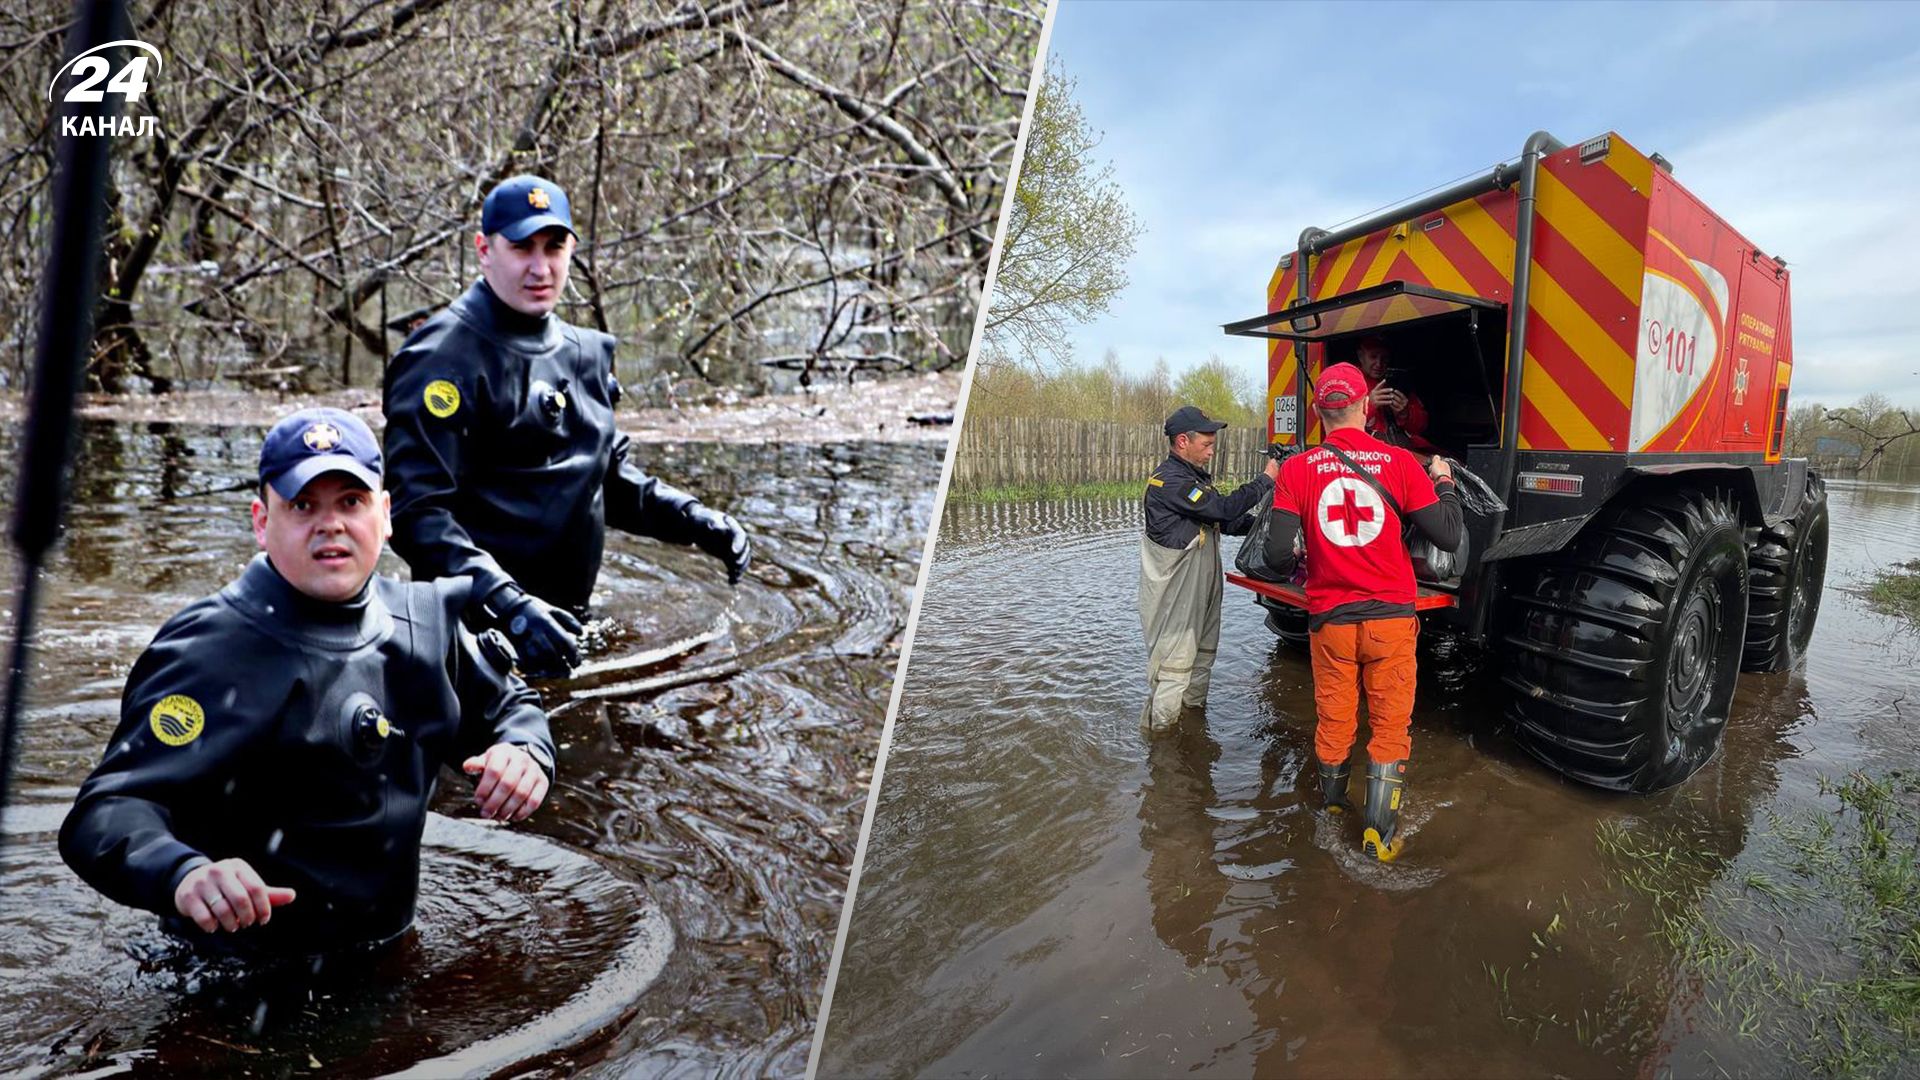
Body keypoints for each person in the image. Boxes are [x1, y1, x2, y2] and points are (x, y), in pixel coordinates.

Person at [59, 409, 556, 956]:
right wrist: (182, 874)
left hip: (390, 953)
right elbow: (105, 813)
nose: (331, 524)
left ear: (385, 514)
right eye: (302, 505)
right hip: (233, 978)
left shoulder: (427, 623)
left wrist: (524, 752)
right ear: (260, 520)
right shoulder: (209, 649)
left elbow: (511, 706)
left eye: (351, 501)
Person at [382, 175, 751, 677]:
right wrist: (509, 607)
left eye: (554, 247)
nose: (541, 267)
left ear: (572, 249)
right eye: (522, 248)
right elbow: (416, 513)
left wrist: (695, 521)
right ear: (484, 250)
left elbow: (606, 483)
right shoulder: (439, 358)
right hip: (468, 639)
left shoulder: (586, 354)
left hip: (568, 626)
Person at [1262, 363, 1462, 861]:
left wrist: (1310, 552)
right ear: (1365, 406)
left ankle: (1332, 808)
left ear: (1317, 412)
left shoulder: (1296, 469)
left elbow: (1275, 557)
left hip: (1331, 622)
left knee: (1334, 717)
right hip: (1391, 620)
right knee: (1390, 725)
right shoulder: (1398, 462)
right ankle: (1380, 835)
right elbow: (1448, 535)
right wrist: (1445, 483)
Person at [1139, 405, 1282, 734]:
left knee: (1201, 657)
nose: (1212, 450)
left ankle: (1190, 730)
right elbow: (1221, 507)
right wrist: (1265, 481)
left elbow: (1227, 520)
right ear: (1182, 442)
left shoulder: (1193, 479)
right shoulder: (1169, 482)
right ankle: (1161, 747)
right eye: (1207, 443)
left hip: (1199, 588)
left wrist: (1269, 530)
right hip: (1176, 593)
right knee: (1173, 669)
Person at [1355, 335, 1435, 452]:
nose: (1379, 364)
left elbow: (1422, 425)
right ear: (1361, 356)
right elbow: (1338, 421)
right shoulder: (1351, 380)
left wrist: (1405, 413)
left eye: (1385, 358)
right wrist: (1369, 405)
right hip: (1366, 451)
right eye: (1373, 357)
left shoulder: (1397, 383)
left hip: (1402, 450)